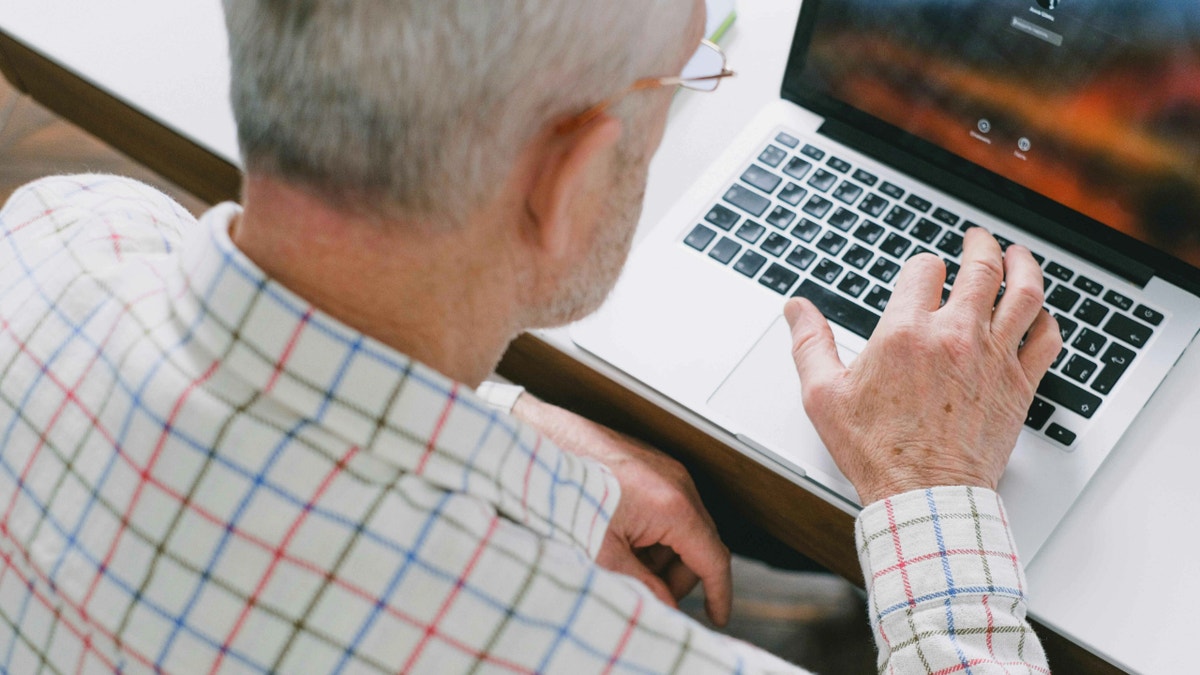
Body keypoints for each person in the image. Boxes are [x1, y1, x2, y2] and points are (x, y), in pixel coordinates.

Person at [0, 0, 1058, 672]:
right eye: (682, 77)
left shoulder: (59, 235)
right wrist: (928, 481)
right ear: (569, 180)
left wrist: (503, 435)